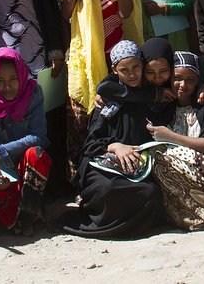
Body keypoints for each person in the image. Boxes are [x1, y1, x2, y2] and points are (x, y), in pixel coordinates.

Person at [62, 41, 162, 238]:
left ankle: (131, 227)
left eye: (136, 67)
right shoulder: (108, 102)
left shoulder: (151, 97)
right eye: (124, 69)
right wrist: (115, 146)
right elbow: (91, 145)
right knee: (108, 189)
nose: (132, 74)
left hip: (139, 164)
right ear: (115, 70)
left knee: (150, 192)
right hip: (102, 162)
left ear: (142, 65)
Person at [61, 0, 142, 171]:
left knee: (110, 119)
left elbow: (126, 13)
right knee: (81, 119)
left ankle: (110, 170)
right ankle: (80, 175)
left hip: (115, 64)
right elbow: (65, 13)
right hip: (85, 59)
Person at [146, 51, 204, 230]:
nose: (183, 85)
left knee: (162, 154)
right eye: (177, 78)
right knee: (155, 158)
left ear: (198, 80)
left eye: (191, 80)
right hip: (182, 179)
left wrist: (171, 137)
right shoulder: (162, 103)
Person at [0, 48, 51, 234]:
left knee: (37, 155)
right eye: (0, 81)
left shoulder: (32, 93)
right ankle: (12, 219)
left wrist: (0, 151)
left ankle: (29, 214)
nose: (8, 87)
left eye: (13, 79)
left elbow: (39, 136)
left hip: (24, 170)